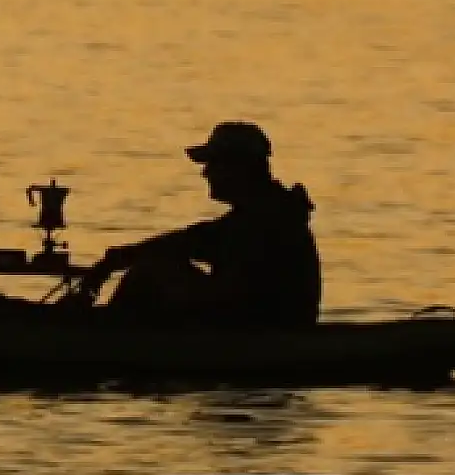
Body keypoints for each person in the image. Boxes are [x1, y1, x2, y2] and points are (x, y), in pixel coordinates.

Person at [80, 121, 322, 327]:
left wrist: (113, 262)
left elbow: (190, 242)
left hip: (263, 334)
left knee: (151, 270)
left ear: (239, 168)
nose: (205, 173)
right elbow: (194, 240)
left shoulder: (266, 221)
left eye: (213, 164)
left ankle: (104, 338)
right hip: (256, 327)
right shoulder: (270, 212)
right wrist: (116, 259)